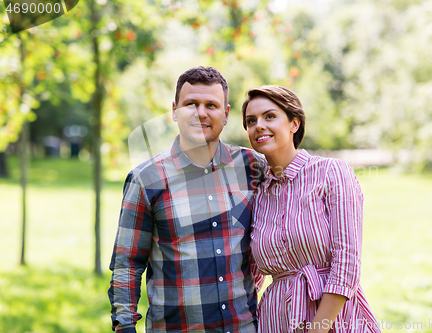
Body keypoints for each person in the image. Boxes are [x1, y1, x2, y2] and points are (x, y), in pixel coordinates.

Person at [108, 66, 266, 333]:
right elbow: (127, 264)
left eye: (211, 105)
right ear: (174, 110)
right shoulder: (146, 179)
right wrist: (124, 327)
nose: (201, 113)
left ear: (226, 114)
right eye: (191, 103)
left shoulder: (252, 167)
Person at [241, 85, 381, 333]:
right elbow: (251, 278)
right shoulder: (258, 192)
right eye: (251, 121)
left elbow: (347, 263)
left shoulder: (331, 172)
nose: (258, 125)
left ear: (294, 123)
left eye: (269, 116)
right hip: (275, 320)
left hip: (334, 319)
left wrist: (318, 329)